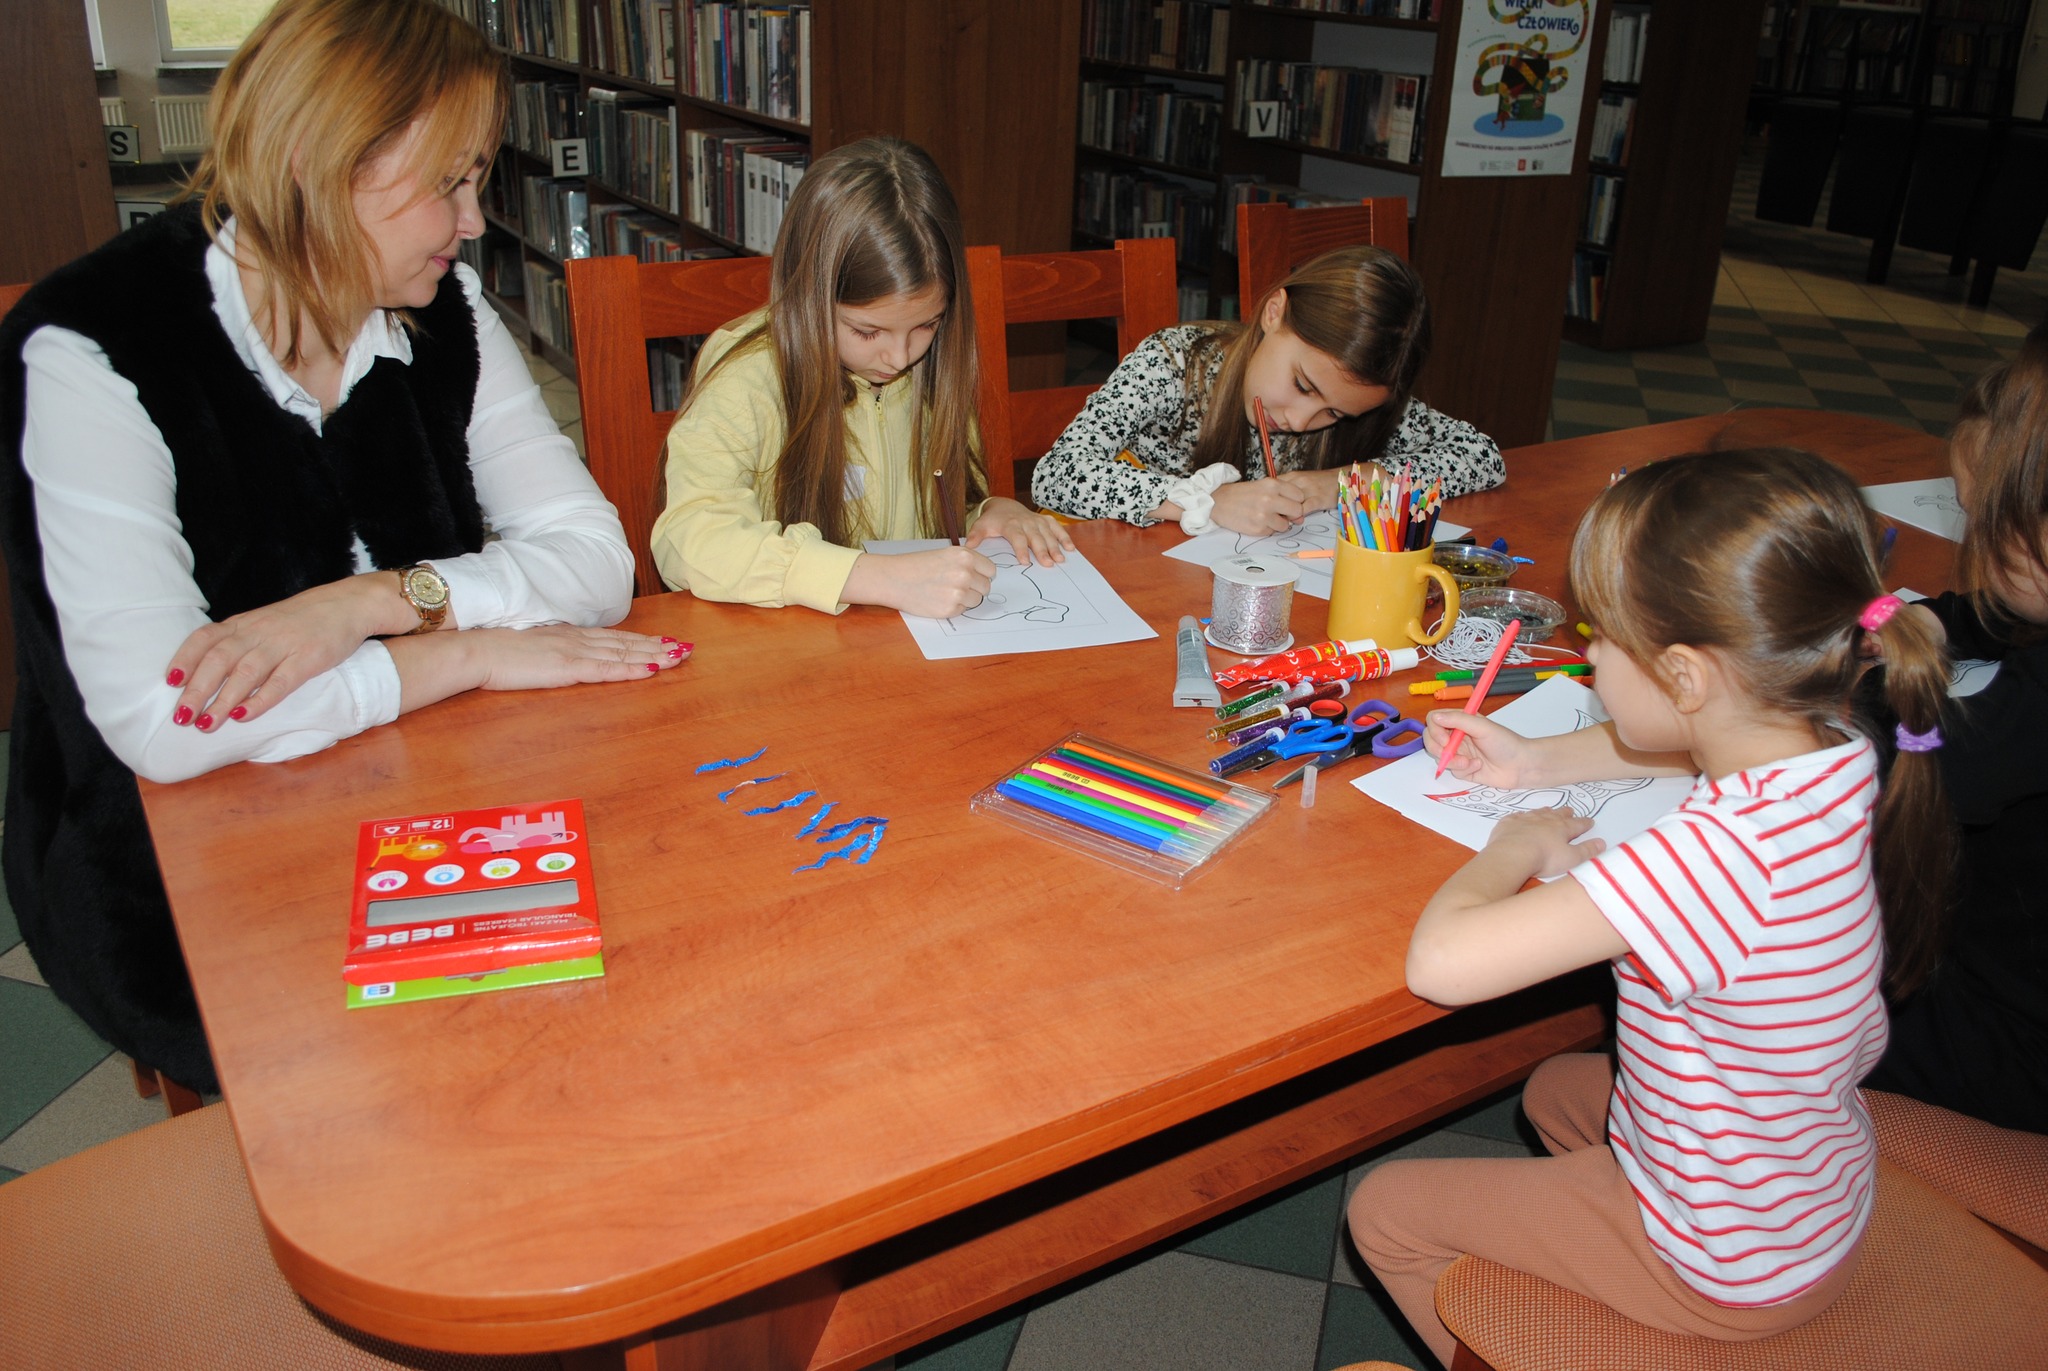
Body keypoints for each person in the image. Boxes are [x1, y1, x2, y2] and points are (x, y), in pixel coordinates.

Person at [0, 0, 681, 1094]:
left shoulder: (447, 308)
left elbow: (597, 562)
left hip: (430, 788)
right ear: (319, 166)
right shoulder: (89, 349)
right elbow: (167, 723)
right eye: (449, 184)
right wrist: (465, 651)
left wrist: (370, 603)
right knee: (428, 1069)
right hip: (169, 863)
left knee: (650, 954)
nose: (473, 223)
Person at [1346, 449, 1952, 1366]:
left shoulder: (1716, 858)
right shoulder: (1831, 744)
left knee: (1386, 1209)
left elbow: (1443, 964)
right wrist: (1533, 761)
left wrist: (1518, 845)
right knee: (1556, 1089)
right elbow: (1690, 744)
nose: (1587, 653)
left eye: (1601, 635)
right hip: (1807, 1188)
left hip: (1726, 1263)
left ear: (1685, 676)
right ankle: (1593, 1287)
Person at [650, 137, 1073, 618]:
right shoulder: (748, 373)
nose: (899, 357)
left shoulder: (934, 367)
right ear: (810, 294)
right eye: (867, 331)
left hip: (902, 641)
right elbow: (688, 539)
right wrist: (871, 577)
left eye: (926, 325)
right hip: (790, 642)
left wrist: (991, 511)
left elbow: (943, 512)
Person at [1861, 319, 2048, 1134]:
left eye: (1982, 519)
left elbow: (1923, 763)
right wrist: (1918, 619)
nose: (1967, 538)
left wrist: (1864, 684)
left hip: (2008, 1040)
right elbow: (1998, 610)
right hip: (1995, 961)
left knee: (1713, 972)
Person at [1028, 246, 1503, 536]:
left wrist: (1342, 484)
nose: (1299, 421)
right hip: (1141, 586)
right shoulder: (1176, 364)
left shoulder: (1357, 390)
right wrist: (1204, 501)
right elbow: (1056, 474)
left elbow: (1481, 456)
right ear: (1275, 313)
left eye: (1335, 415)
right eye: (1302, 385)